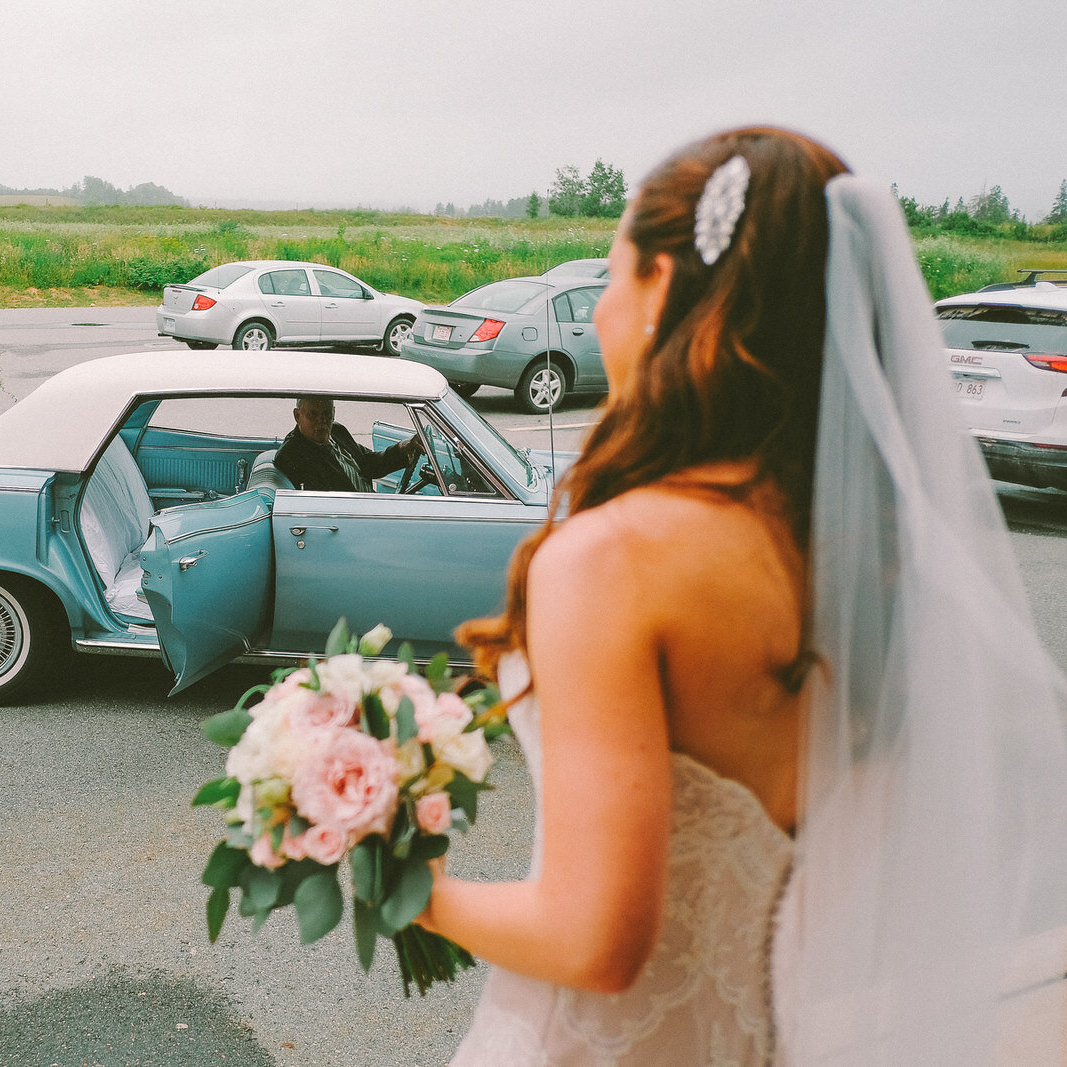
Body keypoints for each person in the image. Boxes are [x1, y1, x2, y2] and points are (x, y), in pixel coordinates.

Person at [419, 128, 1067, 1065]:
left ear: (666, 296)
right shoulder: (868, 557)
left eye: (612, 277)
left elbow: (596, 940)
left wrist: (407, 882)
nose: (600, 312)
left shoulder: (611, 557)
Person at [273, 396, 422, 491]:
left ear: (334, 413)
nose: (322, 420)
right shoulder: (292, 454)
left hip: (369, 505)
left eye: (327, 414)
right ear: (297, 416)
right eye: (313, 414)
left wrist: (401, 449)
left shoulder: (337, 430)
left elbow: (368, 463)